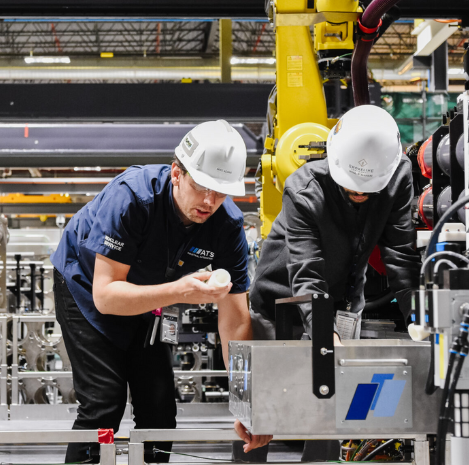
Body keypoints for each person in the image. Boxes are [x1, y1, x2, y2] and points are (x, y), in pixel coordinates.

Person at [50, 120, 271, 463]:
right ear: (177, 174)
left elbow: (236, 323)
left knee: (160, 412)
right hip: (85, 287)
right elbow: (107, 297)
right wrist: (178, 291)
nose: (210, 201)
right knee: (104, 403)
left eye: (221, 190)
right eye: (201, 186)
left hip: (148, 295)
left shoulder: (227, 226)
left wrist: (250, 404)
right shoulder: (132, 198)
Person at [236, 105, 422, 462]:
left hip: (340, 303)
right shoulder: (304, 189)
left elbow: (401, 255)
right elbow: (307, 272)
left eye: (367, 191)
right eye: (351, 189)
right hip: (279, 304)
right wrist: (325, 336)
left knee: (331, 413)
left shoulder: (398, 175)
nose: (360, 195)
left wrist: (419, 321)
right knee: (261, 414)